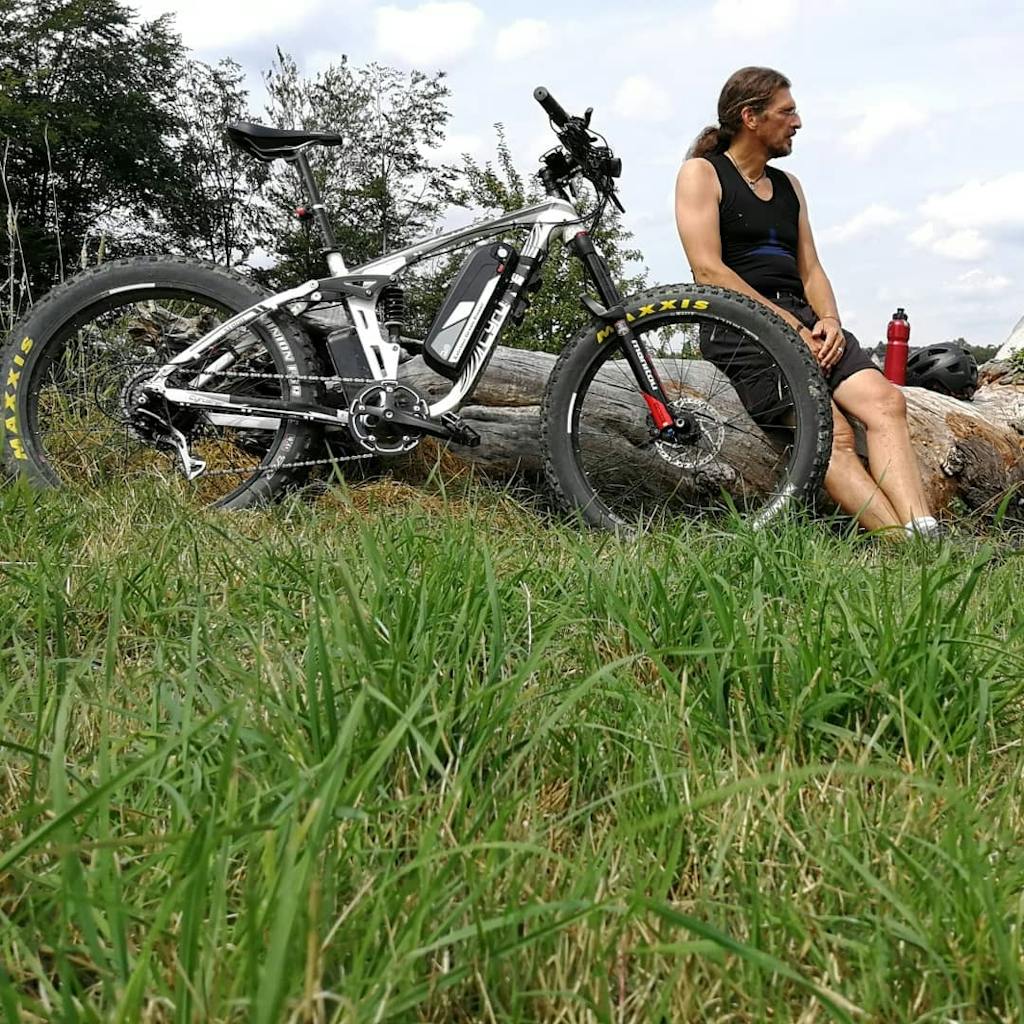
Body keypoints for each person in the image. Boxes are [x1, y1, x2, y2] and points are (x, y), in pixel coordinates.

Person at [675, 66, 939, 538]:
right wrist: (785, 326)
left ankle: (926, 531)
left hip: (803, 320)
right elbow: (708, 270)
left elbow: (811, 268)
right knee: (831, 433)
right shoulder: (702, 174)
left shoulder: (790, 186)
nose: (798, 122)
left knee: (885, 403)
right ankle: (908, 549)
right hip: (741, 327)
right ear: (751, 117)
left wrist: (830, 320)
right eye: (788, 111)